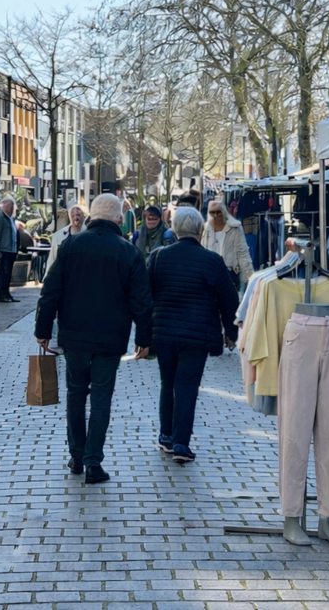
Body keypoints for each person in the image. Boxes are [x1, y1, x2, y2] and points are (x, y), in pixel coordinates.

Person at [34, 193, 153, 484]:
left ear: (91, 216)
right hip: (110, 338)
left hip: (73, 335)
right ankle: (93, 462)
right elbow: (141, 301)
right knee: (101, 397)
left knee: (75, 393)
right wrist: (144, 337)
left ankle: (76, 455)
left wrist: (43, 329)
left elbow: (51, 291)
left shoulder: (71, 245)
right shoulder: (128, 252)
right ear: (118, 218)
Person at [149, 207, 240, 463]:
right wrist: (231, 332)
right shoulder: (212, 260)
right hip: (197, 335)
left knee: (168, 383)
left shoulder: (158, 257)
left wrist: (144, 335)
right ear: (201, 230)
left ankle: (166, 436)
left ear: (175, 229)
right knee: (187, 386)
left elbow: (145, 296)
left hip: (164, 333)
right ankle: (181, 445)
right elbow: (229, 300)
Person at [200, 200, 254, 290]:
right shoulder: (205, 229)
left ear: (223, 212)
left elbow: (243, 254)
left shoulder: (235, 228)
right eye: (212, 212)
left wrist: (247, 282)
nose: (215, 215)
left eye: (218, 212)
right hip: (208, 277)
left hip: (229, 276)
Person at [0, 197, 20, 303]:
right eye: (8, 205)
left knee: (8, 274)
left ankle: (7, 293)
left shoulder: (11, 218)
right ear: (4, 205)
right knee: (3, 273)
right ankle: (2, 294)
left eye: (12, 205)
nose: (11, 208)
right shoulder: (0, 218)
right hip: (4, 250)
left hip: (11, 250)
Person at [47, 203, 86, 273]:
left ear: (84, 215)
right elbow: (52, 260)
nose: (76, 216)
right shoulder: (58, 236)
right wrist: (47, 276)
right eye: (73, 215)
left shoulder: (90, 235)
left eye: (78, 214)